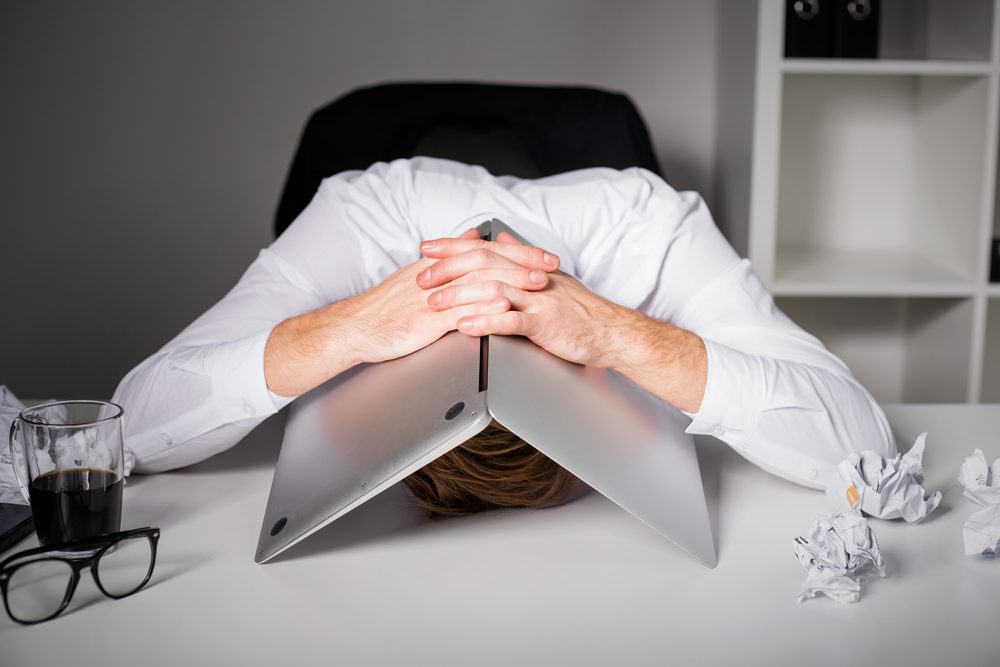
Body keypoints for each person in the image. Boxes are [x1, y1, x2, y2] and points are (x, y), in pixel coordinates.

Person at [112, 157, 896, 515]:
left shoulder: (653, 231)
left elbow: (866, 453)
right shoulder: (358, 221)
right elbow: (128, 431)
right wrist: (353, 327)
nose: (491, 317)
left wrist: (617, 333)